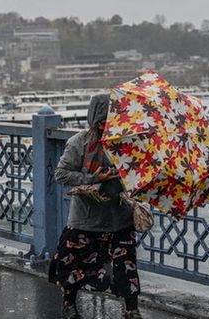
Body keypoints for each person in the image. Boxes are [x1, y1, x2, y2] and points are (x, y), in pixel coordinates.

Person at [49, 94, 142, 319]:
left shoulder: (126, 143)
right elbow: (61, 174)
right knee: (71, 263)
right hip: (86, 219)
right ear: (94, 120)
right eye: (102, 121)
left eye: (109, 121)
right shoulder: (78, 143)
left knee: (126, 266)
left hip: (119, 216)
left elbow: (137, 174)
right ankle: (69, 304)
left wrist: (125, 178)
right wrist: (93, 178)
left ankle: (131, 310)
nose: (105, 126)